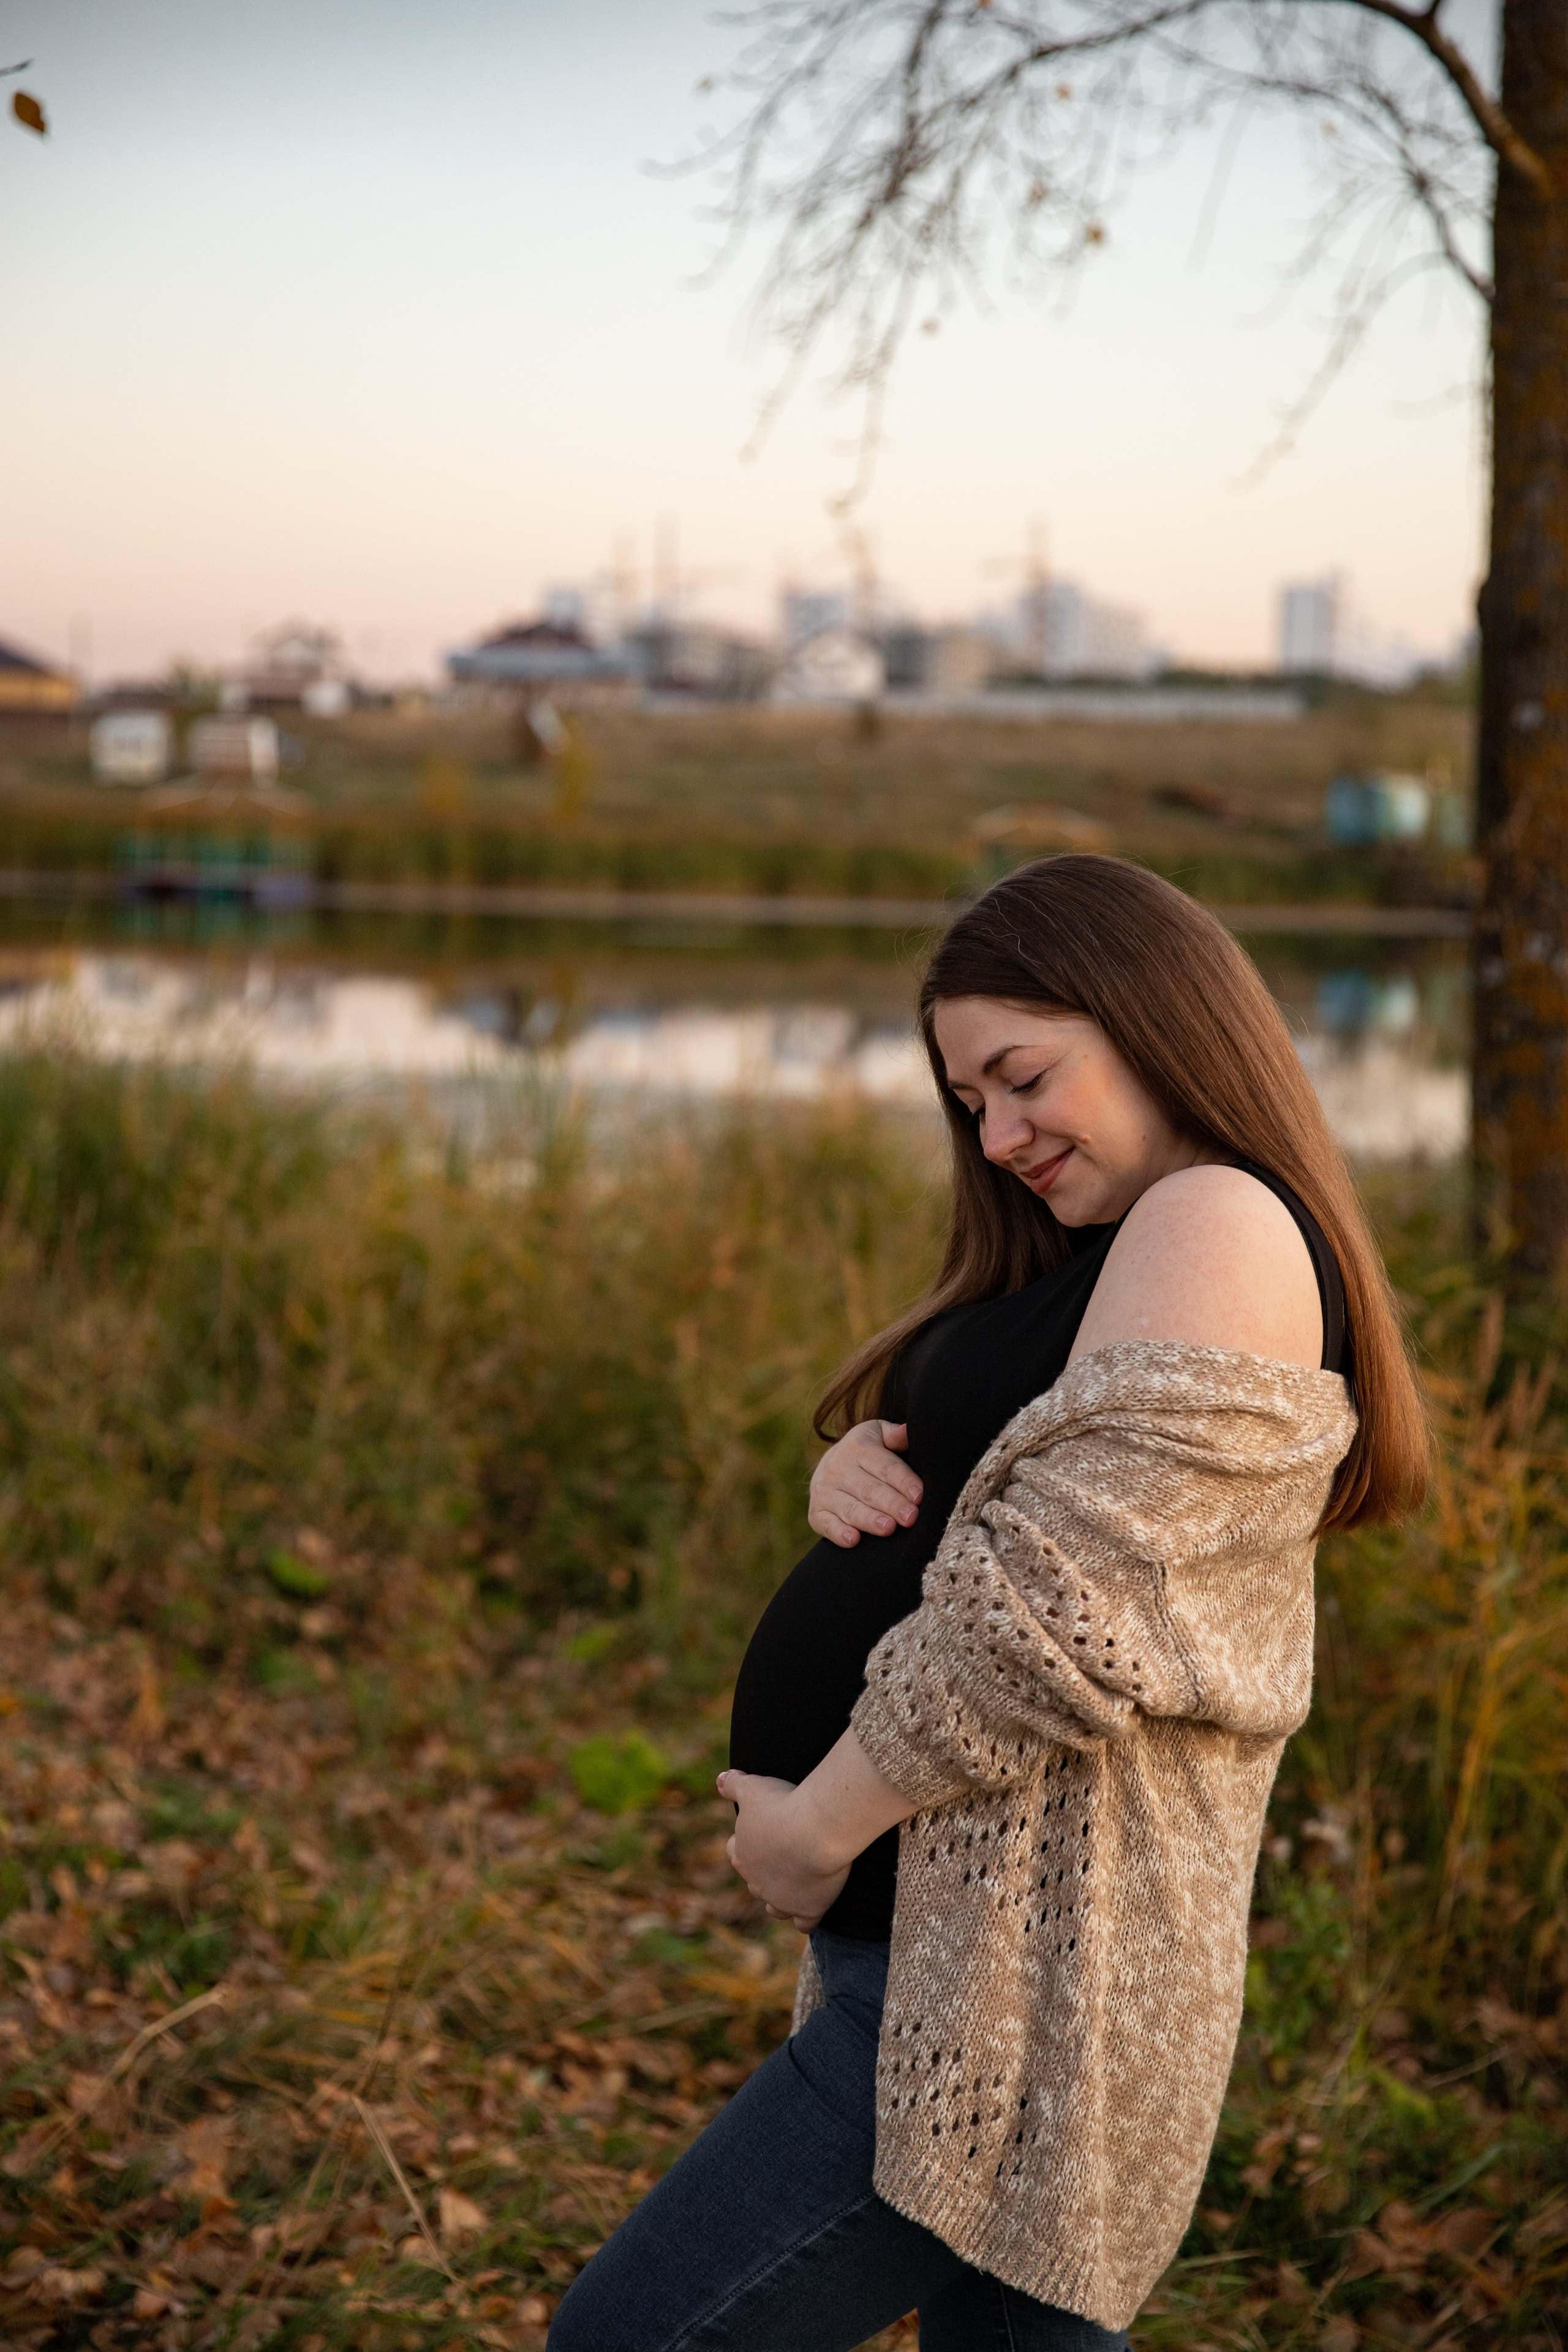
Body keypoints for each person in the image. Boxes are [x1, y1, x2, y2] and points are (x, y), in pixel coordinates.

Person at [549, 856, 1429, 2352]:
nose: (999, 1133)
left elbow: (1052, 1620)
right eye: (969, 1103)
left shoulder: (1216, 1219)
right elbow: (1020, 1503)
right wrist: (865, 1466)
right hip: (973, 1962)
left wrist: (819, 1821)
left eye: (1023, 1078)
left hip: (1015, 1995)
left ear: (1154, 1019)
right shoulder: (1103, 1245)